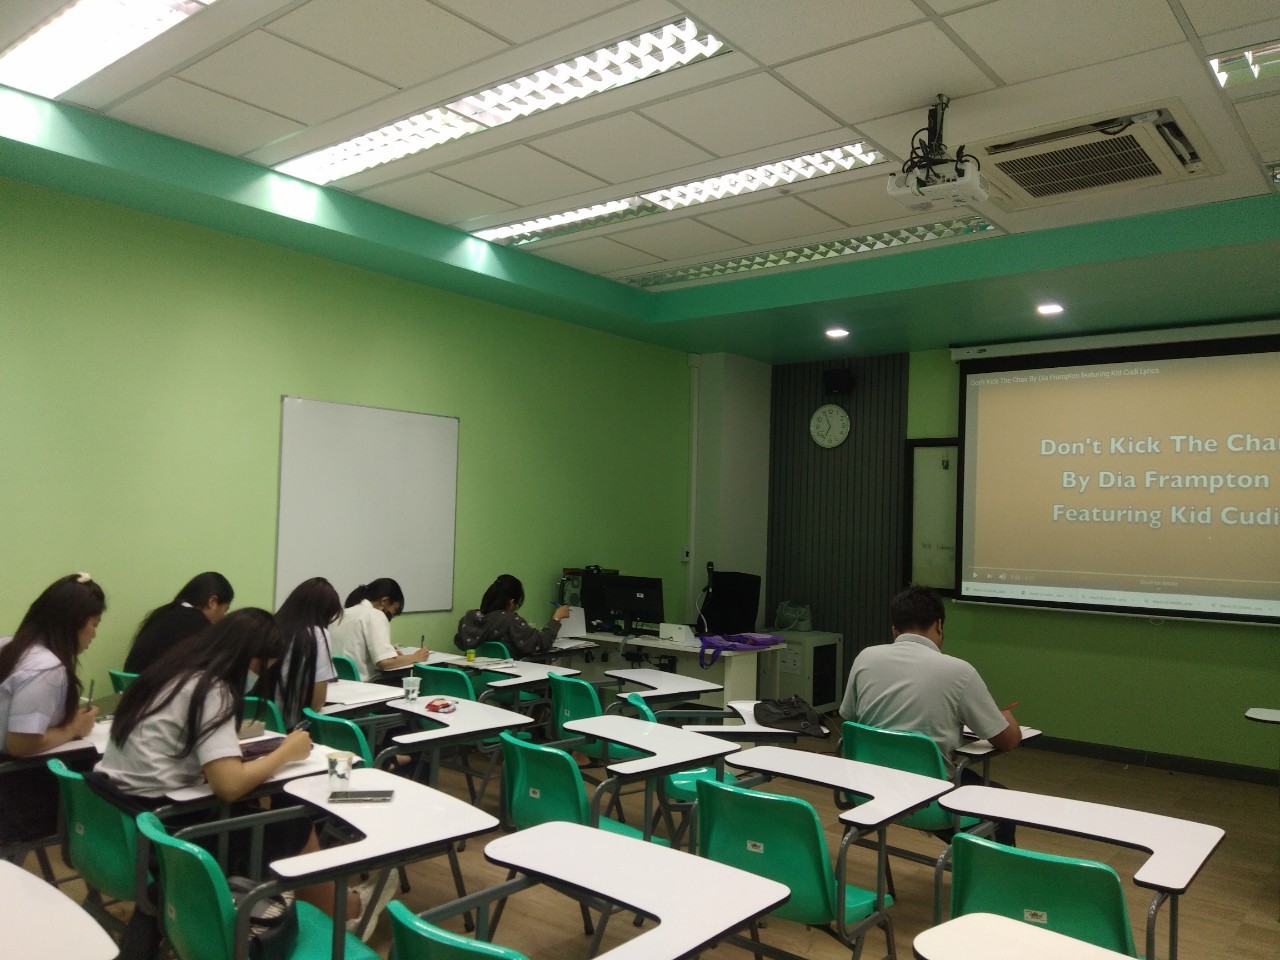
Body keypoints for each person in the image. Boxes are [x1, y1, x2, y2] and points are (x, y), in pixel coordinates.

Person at [96, 608, 384, 947]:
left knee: (267, 813)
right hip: (168, 827)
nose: (258, 678)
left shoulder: (169, 673)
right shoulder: (210, 690)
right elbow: (230, 786)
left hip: (124, 817)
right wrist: (286, 751)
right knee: (292, 825)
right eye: (261, 668)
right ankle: (346, 913)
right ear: (247, 656)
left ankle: (304, 905)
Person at [839, 583, 1020, 845]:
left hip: (868, 791)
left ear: (894, 630)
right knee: (1003, 802)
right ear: (939, 625)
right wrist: (1006, 718)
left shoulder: (865, 658)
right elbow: (1008, 741)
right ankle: (978, 864)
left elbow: (850, 720)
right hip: (932, 803)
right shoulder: (959, 671)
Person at [0, 573, 104, 844]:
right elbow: (20, 745)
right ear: (75, 623)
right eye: (94, 624)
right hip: (13, 790)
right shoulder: (46, 668)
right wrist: (73, 729)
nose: (95, 634)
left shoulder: (8, 646)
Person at [122, 571, 234, 674]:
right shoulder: (198, 624)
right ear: (212, 602)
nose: (223, 617)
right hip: (157, 687)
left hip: (132, 686)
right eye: (225, 610)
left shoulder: (163, 613)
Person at [328, 578, 429, 682]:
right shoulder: (375, 615)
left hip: (340, 685)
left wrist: (389, 653)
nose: (392, 615)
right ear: (385, 601)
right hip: (368, 686)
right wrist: (416, 657)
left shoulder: (338, 615)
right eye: (394, 610)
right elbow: (385, 663)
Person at [273, 577, 342, 727]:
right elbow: (315, 703)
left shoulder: (271, 626)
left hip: (261, 722)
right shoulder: (316, 635)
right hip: (291, 726)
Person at [455, 574, 570, 657]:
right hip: (510, 679)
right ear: (511, 602)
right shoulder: (509, 620)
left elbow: (458, 641)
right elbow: (541, 644)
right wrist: (556, 618)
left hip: (477, 680)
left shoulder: (470, 618)